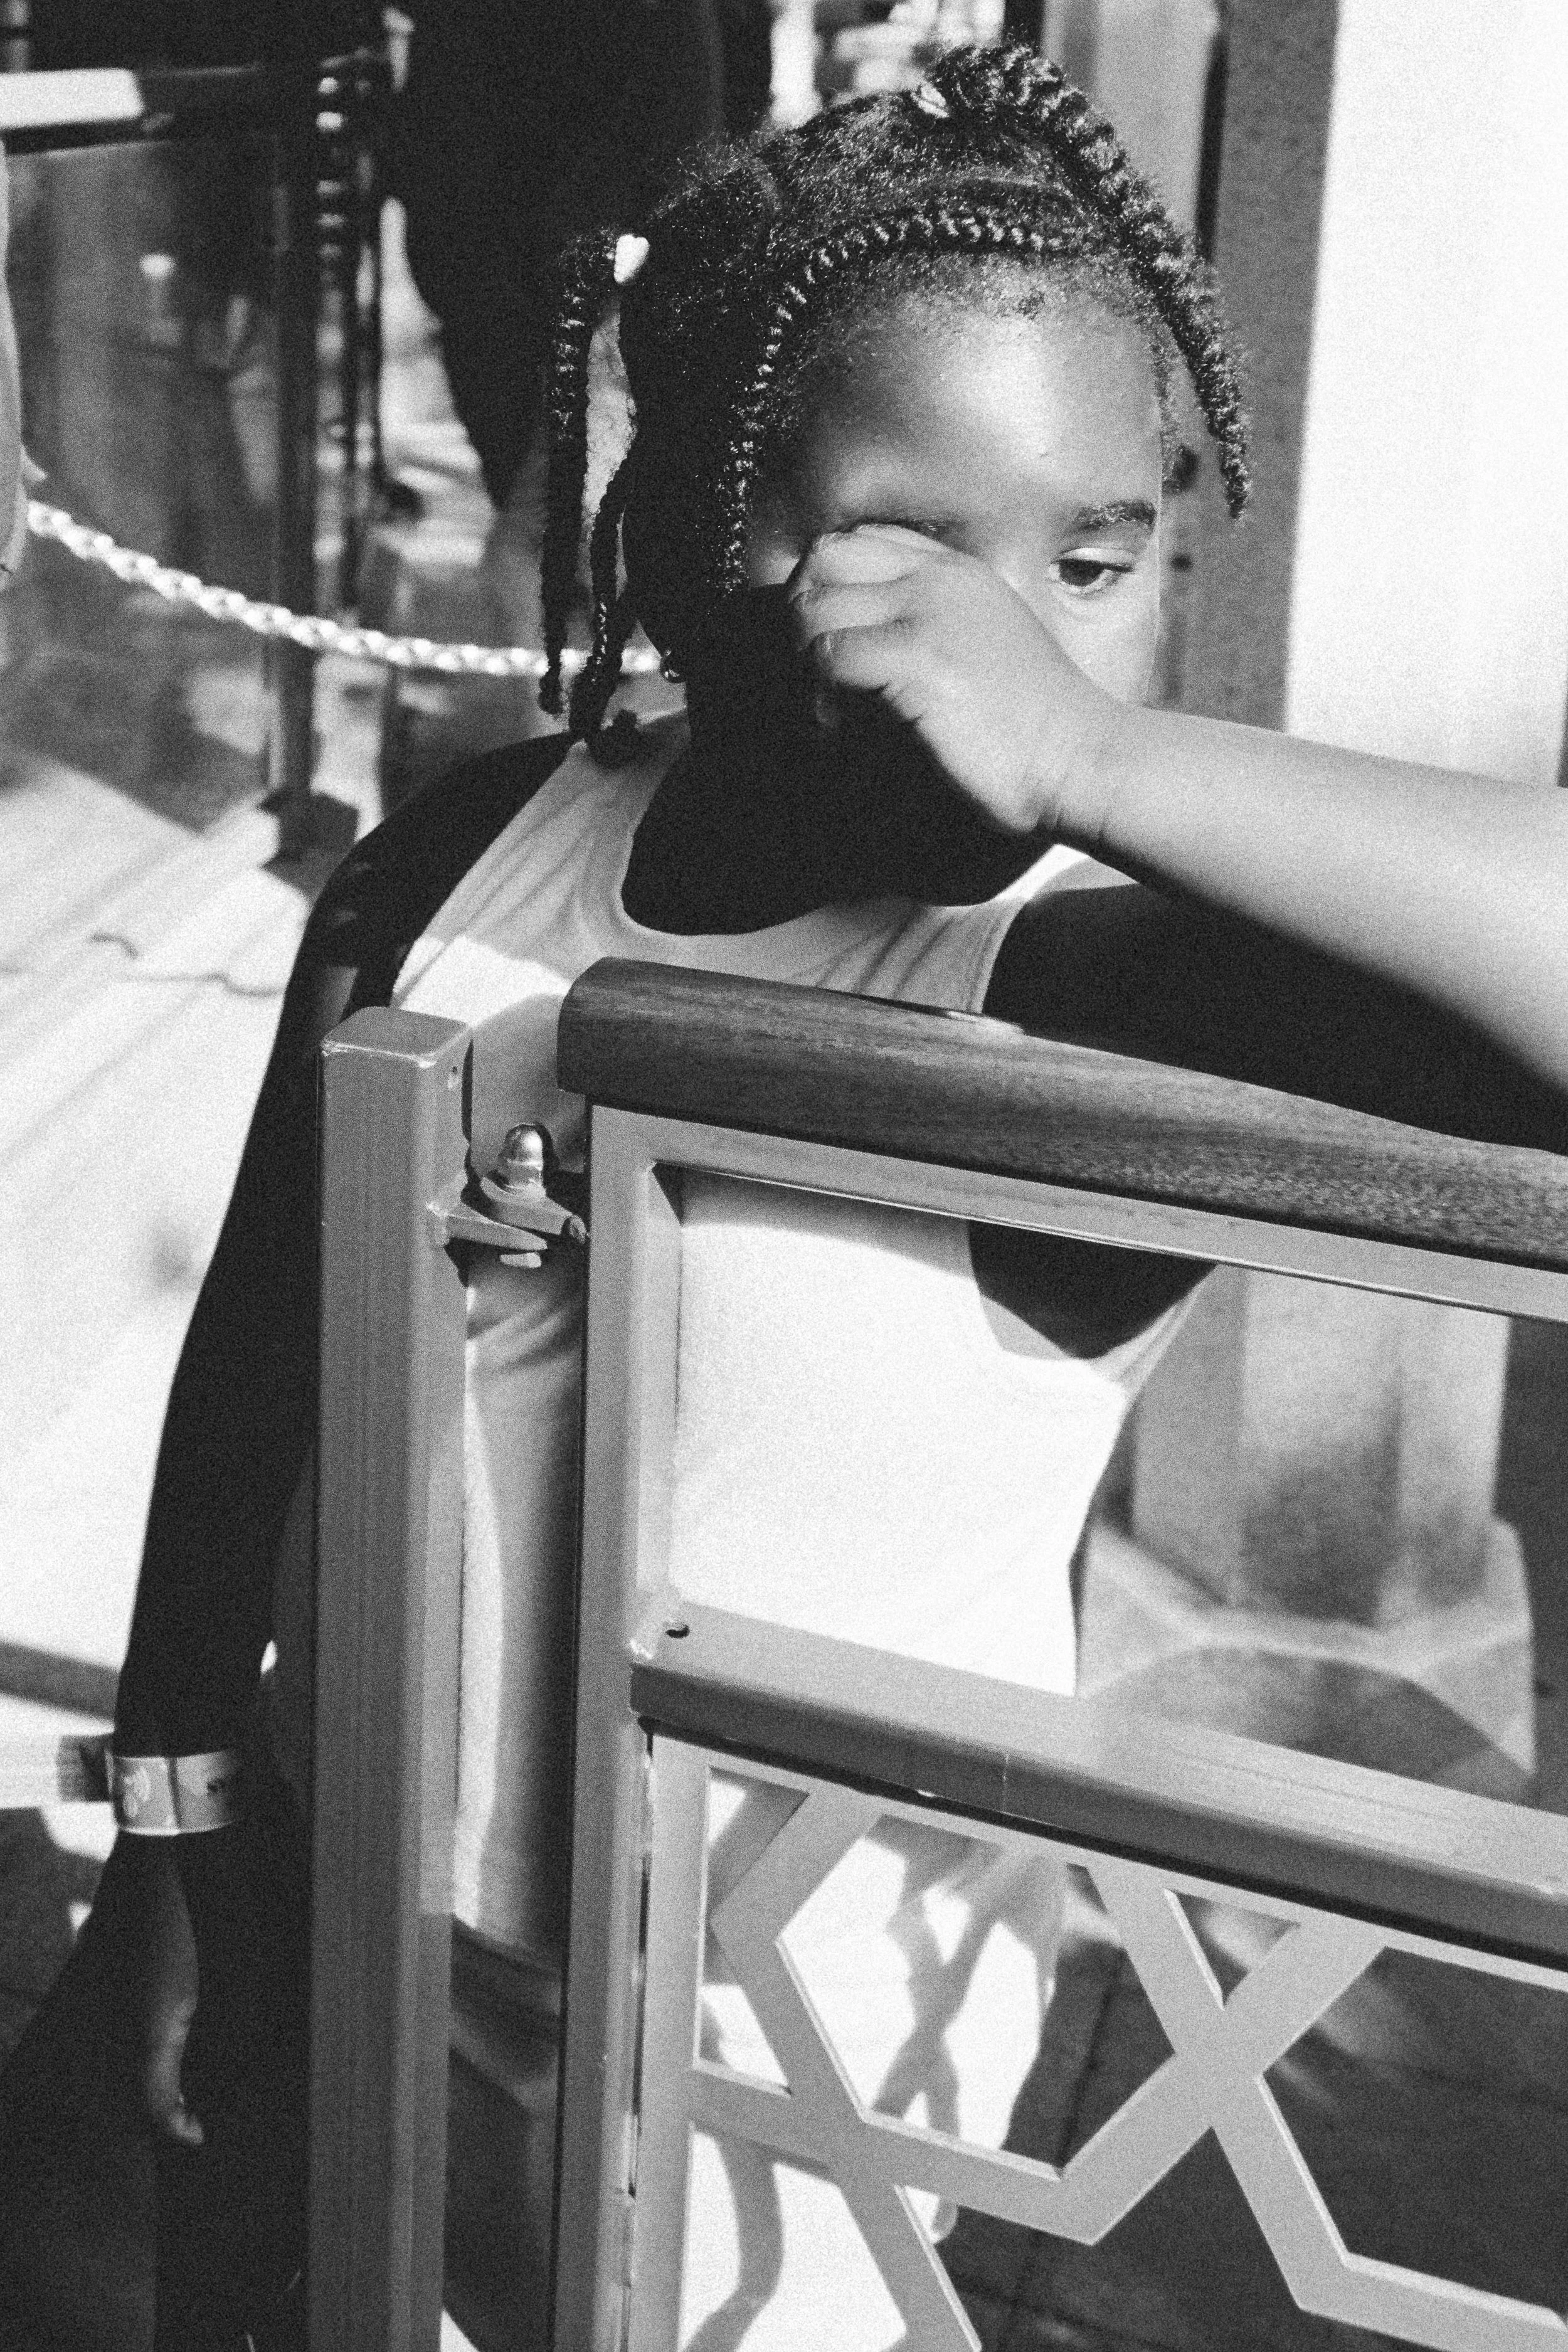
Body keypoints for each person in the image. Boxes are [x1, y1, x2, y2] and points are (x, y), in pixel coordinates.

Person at [4, 42, 1565, 2350]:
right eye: (887, 549)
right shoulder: (473, 860)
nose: (991, 637)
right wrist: (174, 1835)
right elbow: (255, 1378)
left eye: (1095, 563)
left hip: (795, 2076)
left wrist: (1098, 760)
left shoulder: (1079, 979)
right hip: (354, 1940)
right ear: (676, 541)